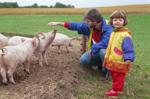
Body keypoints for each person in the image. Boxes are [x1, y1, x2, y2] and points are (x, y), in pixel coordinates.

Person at [48, 8, 113, 78]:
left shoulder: (108, 27)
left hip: (109, 53)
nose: (86, 23)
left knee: (103, 51)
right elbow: (76, 25)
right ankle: (100, 64)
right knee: (83, 60)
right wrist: (59, 23)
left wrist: (92, 49)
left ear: (95, 21)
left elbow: (105, 43)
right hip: (95, 51)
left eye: (88, 21)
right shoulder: (89, 26)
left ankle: (106, 72)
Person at [103, 10, 135, 98]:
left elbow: (128, 48)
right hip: (114, 59)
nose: (117, 21)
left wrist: (128, 58)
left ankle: (115, 91)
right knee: (115, 75)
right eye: (115, 20)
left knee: (118, 76)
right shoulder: (113, 33)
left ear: (124, 22)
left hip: (120, 61)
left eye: (120, 20)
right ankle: (118, 89)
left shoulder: (125, 35)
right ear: (111, 21)